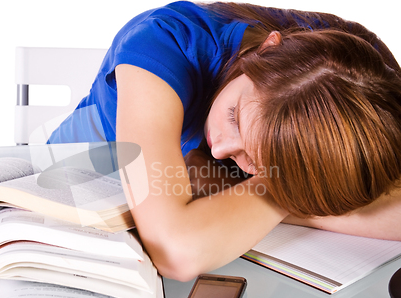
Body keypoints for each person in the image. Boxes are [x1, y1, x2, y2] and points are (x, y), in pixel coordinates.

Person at [48, 1, 401, 281]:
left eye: (257, 160)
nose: (220, 148)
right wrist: (305, 191)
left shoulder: (372, 100)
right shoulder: (167, 40)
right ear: (264, 50)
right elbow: (178, 252)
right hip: (75, 173)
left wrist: (285, 188)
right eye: (233, 116)